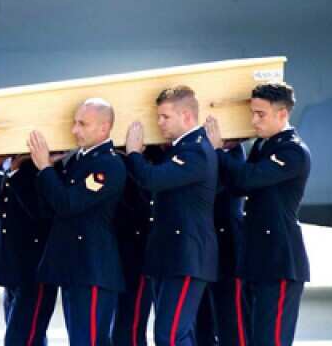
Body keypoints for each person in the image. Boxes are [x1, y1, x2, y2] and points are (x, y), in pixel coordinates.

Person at [205, 83, 310, 346]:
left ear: (282, 114)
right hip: (258, 259)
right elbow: (238, 186)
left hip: (279, 261)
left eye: (260, 114)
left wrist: (219, 150)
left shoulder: (292, 151)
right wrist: (228, 151)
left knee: (270, 340)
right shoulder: (264, 146)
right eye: (253, 113)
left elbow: (248, 178)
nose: (254, 120)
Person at [123, 86, 219, 346]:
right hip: (171, 256)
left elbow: (152, 179)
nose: (159, 123)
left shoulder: (195, 151)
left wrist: (133, 152)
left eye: (165, 117)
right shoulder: (180, 149)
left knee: (171, 335)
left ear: (187, 116)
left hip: (187, 256)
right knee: (172, 334)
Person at [28, 98, 126, 346]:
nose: (74, 130)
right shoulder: (76, 161)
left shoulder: (108, 165)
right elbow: (49, 207)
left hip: (94, 269)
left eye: (83, 124)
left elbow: (69, 204)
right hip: (75, 267)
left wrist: (45, 168)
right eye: (74, 123)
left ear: (104, 128)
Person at [0, 155, 57, 346]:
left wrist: (15, 173)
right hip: (12, 266)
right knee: (21, 336)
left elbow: (41, 212)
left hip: (34, 267)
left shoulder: (44, 166)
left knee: (23, 338)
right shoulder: (7, 166)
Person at [195, 140, 250, 346]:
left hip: (226, 246)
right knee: (201, 321)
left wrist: (216, 149)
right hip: (200, 247)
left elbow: (229, 183)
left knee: (231, 319)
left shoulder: (231, 152)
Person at [114, 145, 163, 346]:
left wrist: (134, 155)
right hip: (118, 250)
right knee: (120, 328)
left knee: (130, 326)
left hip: (139, 250)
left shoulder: (158, 158)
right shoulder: (115, 158)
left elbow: (144, 198)